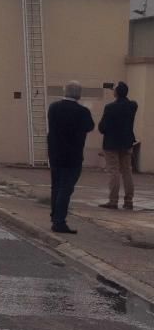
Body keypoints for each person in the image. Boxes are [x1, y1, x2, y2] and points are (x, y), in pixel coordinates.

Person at [46, 80, 95, 234]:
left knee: (56, 187)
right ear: (79, 94)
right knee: (66, 189)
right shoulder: (82, 112)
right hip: (73, 155)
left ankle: (55, 216)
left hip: (55, 153)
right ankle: (59, 221)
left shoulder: (53, 108)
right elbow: (90, 127)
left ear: (64, 92)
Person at [98, 81, 137, 210]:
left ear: (116, 93)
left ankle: (113, 201)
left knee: (114, 171)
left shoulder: (110, 108)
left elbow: (102, 127)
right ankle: (128, 201)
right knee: (127, 171)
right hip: (126, 142)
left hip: (111, 143)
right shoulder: (132, 106)